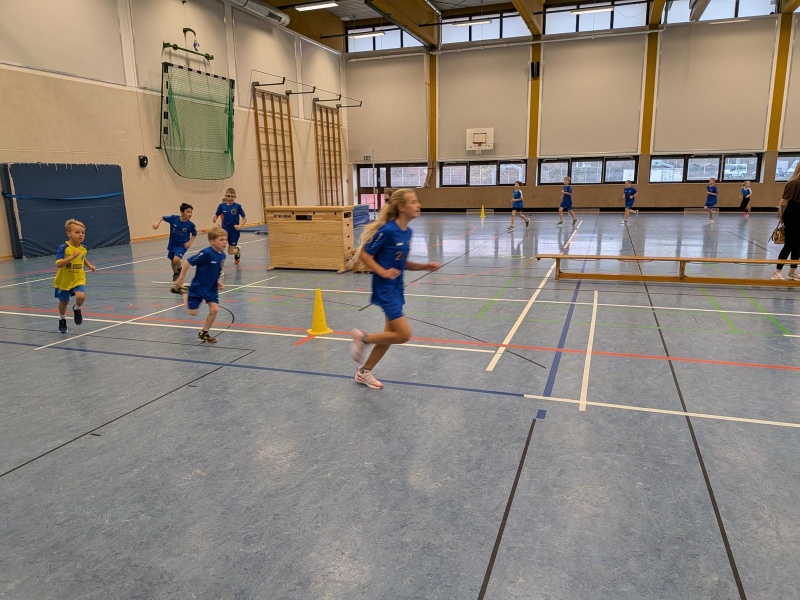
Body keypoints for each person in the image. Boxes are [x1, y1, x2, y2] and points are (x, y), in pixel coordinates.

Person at [349, 189, 440, 389]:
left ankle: (364, 372)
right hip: (385, 289)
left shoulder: (407, 232)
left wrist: (424, 266)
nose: (419, 205)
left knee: (390, 335)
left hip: (397, 288)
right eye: (413, 202)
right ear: (401, 207)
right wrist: (382, 271)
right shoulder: (388, 230)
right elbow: (364, 254)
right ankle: (363, 338)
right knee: (403, 334)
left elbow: (401, 263)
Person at [172, 227, 228, 343]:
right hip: (198, 287)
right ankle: (184, 292)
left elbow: (217, 270)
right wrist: (181, 278)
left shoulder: (222, 256)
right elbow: (187, 262)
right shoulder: (206, 253)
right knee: (192, 313)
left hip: (211, 288)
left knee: (214, 310)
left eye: (226, 240)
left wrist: (218, 281)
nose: (224, 242)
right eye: (221, 240)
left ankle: (203, 333)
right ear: (212, 241)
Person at [53, 219, 96, 334]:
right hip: (64, 280)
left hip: (78, 278)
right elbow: (59, 264)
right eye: (77, 232)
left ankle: (76, 308)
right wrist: (71, 257)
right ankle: (62, 319)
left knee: (81, 296)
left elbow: (82, 257)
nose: (80, 235)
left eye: (82, 232)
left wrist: (90, 266)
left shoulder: (83, 248)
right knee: (63, 302)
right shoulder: (64, 248)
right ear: (69, 234)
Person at [152, 203, 197, 281]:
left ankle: (180, 269)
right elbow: (162, 217)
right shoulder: (174, 218)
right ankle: (176, 274)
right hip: (172, 244)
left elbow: (194, 234)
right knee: (173, 263)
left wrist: (190, 242)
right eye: (188, 212)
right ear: (182, 212)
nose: (190, 214)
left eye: (191, 212)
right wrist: (157, 223)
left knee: (176, 259)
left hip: (182, 245)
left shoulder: (191, 225)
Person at [772, 163, 800, 280]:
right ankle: (777, 272)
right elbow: (783, 202)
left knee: (797, 245)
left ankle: (792, 271)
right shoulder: (794, 183)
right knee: (789, 244)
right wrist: (781, 216)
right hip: (793, 214)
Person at [213, 188, 246, 265]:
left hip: (234, 232)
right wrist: (215, 218)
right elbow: (216, 214)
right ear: (225, 196)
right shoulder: (221, 206)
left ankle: (237, 250)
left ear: (235, 197)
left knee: (230, 252)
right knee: (220, 246)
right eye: (228, 196)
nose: (230, 198)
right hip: (224, 231)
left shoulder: (238, 206)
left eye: (232, 196)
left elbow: (245, 218)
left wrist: (240, 226)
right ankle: (220, 262)